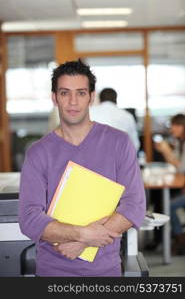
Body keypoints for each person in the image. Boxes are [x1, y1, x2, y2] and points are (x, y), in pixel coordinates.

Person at [19, 59, 146, 277]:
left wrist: (83, 243)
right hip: (53, 273)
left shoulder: (118, 143)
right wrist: (83, 235)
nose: (72, 102)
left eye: (80, 93)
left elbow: (134, 205)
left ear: (91, 97)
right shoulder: (38, 153)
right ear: (54, 98)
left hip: (106, 272)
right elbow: (30, 219)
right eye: (65, 93)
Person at [152, 114, 185, 253]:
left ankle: (179, 237)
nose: (172, 129)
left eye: (176, 126)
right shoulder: (179, 142)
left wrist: (166, 150)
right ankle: (177, 236)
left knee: (167, 205)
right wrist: (166, 151)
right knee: (163, 200)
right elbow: (176, 165)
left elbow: (180, 167)